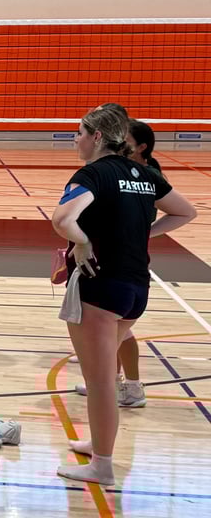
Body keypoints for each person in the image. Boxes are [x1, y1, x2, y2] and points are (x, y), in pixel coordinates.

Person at [53, 105, 196, 485]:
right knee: (100, 377)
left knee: (99, 383)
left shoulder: (93, 174)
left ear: (97, 136)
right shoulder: (145, 174)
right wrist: (142, 234)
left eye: (80, 132)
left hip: (101, 288)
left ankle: (102, 465)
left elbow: (62, 220)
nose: (76, 139)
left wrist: (82, 241)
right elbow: (185, 212)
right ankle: (98, 443)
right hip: (136, 290)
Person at [74, 117, 161, 405]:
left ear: (141, 147)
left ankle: (127, 385)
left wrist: (82, 239)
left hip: (122, 267)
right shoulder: (118, 172)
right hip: (125, 266)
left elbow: (63, 219)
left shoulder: (143, 175)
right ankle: (112, 380)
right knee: (119, 332)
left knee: (122, 332)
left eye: (128, 141)